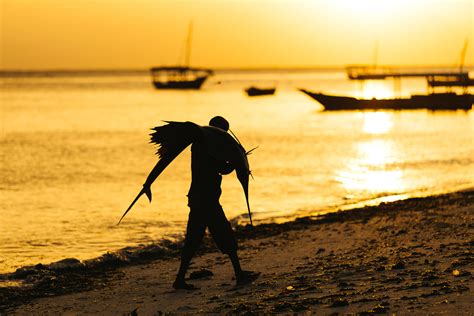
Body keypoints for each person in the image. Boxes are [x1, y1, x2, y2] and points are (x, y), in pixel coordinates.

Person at [143, 116, 259, 290]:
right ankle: (239, 274)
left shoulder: (202, 143)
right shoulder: (207, 144)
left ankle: (180, 279)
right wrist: (236, 161)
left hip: (200, 199)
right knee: (224, 236)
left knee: (194, 240)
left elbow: (219, 166)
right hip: (206, 200)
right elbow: (222, 168)